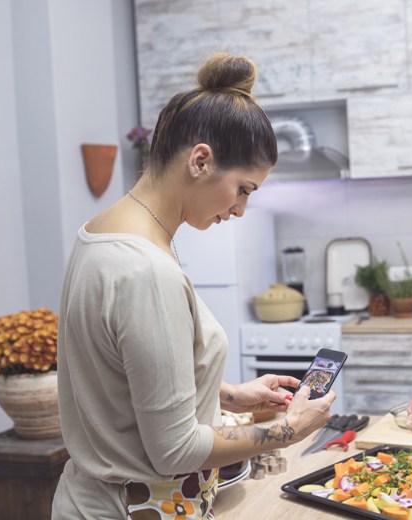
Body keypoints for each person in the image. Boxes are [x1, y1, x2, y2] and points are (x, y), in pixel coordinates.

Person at [52, 53, 335, 519]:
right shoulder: (147, 271)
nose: (242, 209)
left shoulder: (101, 232)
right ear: (200, 160)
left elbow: (124, 372)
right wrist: (292, 429)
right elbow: (176, 451)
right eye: (244, 189)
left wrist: (225, 393)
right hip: (128, 508)